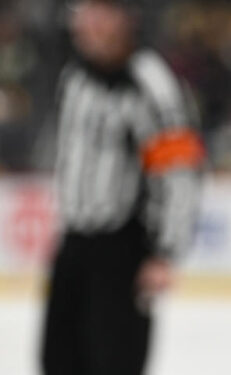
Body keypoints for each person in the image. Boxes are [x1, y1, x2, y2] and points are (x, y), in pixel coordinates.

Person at [41, 0, 203, 374]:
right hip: (74, 242)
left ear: (124, 18)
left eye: (97, 12)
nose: (84, 22)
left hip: (123, 249)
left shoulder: (151, 84)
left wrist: (164, 252)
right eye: (81, 11)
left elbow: (179, 172)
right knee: (58, 360)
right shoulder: (74, 76)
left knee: (113, 361)